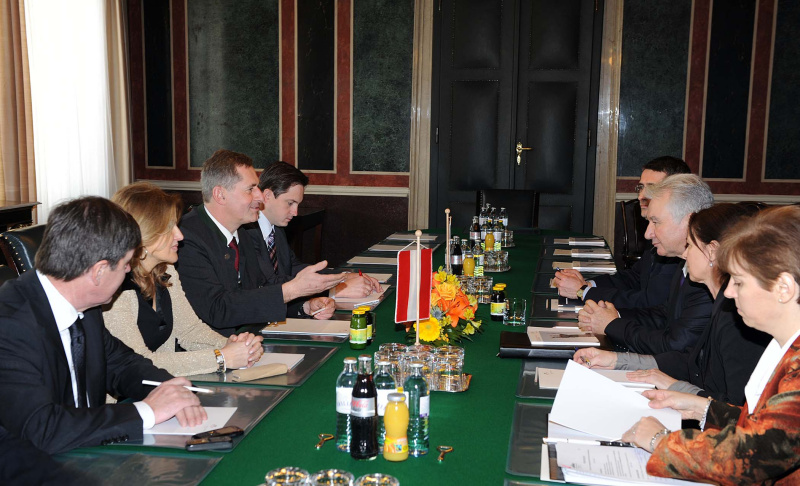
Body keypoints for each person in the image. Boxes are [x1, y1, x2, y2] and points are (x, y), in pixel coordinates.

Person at [0, 197, 206, 454]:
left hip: (83, 451)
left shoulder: (83, 305)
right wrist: (147, 411)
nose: (129, 270)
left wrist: (170, 389)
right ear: (98, 272)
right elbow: (42, 428)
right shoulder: (8, 326)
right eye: (126, 264)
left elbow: (121, 364)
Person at [621, 205, 800, 484]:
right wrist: (703, 407)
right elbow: (770, 426)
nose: (728, 291)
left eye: (739, 282)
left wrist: (659, 441)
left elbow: (754, 456)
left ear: (784, 288)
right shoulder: (786, 347)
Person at [573, 203, 770, 405]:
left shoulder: (735, 317)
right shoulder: (721, 303)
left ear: (711, 251)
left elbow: (734, 410)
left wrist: (672, 386)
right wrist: (617, 361)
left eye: (690, 246)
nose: (684, 255)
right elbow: (692, 362)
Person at [176, 149, 345, 334]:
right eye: (250, 189)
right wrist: (292, 290)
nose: (259, 196)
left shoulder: (241, 231)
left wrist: (304, 307)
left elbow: (258, 291)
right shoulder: (186, 238)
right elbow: (217, 309)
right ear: (220, 194)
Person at [103, 182, 264, 376]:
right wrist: (222, 357)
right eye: (169, 228)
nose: (179, 235)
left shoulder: (166, 270)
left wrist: (235, 346)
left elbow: (190, 331)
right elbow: (138, 361)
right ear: (143, 233)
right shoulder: (115, 288)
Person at [578, 174, 714, 354]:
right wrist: (613, 316)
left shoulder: (709, 274)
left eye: (655, 222)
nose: (647, 234)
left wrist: (613, 325)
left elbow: (676, 345)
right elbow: (663, 316)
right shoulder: (684, 261)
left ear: (689, 222)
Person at [555, 156, 690, 308]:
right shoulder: (654, 231)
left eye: (652, 189)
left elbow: (650, 303)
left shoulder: (675, 241)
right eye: (641, 187)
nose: (641, 196)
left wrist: (583, 292)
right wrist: (588, 284)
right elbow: (634, 277)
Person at [247, 161, 380, 298]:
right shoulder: (247, 233)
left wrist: (343, 277)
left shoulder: (276, 229)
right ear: (267, 196)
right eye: (290, 203)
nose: (295, 212)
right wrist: (336, 290)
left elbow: (294, 268)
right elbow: (269, 283)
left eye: (297, 205)